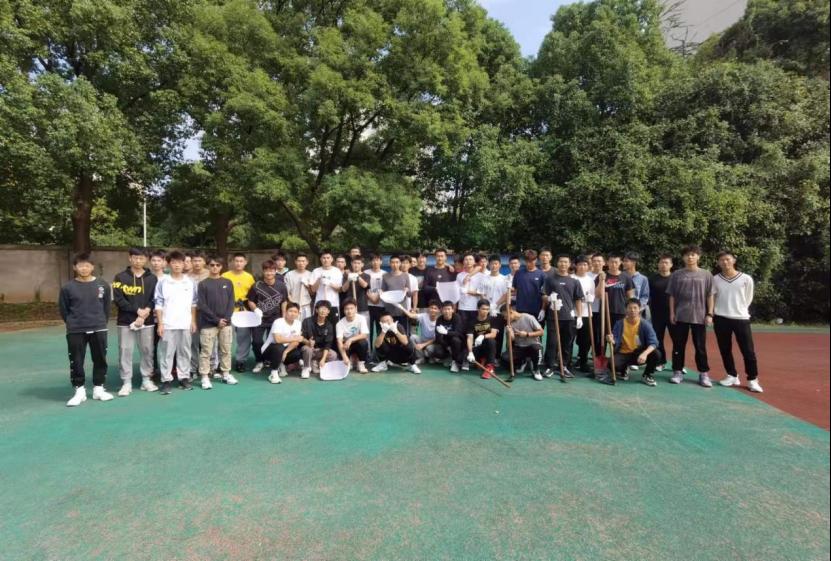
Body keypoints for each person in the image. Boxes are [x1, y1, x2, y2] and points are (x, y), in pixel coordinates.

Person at [60, 252, 114, 407]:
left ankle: (99, 388)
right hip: (76, 329)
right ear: (74, 267)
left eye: (87, 265)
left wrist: (100, 322)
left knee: (100, 358)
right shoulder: (67, 288)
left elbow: (106, 307)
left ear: (92, 267)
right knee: (76, 360)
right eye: (80, 266)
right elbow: (64, 310)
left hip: (98, 327)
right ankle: (79, 391)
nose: (84, 268)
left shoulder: (102, 285)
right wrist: (73, 323)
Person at [713, 251, 763, 393]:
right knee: (725, 349)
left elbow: (748, 298)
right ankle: (732, 375)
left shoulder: (746, 278)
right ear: (718, 263)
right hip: (721, 318)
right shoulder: (715, 279)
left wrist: (739, 310)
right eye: (721, 260)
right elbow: (713, 297)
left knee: (748, 351)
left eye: (727, 259)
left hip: (741, 318)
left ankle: (752, 379)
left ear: (734, 260)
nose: (725, 262)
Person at [112, 247, 159, 396]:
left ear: (146, 260)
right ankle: (126, 382)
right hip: (125, 321)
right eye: (135, 258)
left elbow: (155, 298)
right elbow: (118, 299)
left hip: (147, 321)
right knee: (125, 351)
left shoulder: (152, 278)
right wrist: (137, 311)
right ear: (130, 258)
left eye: (141, 258)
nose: (138, 261)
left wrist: (146, 311)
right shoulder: (120, 277)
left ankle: (146, 379)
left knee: (147, 350)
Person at [667, 245, 715, 387]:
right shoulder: (677, 274)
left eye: (693, 254)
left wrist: (710, 313)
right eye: (687, 255)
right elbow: (672, 295)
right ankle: (677, 371)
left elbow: (710, 295)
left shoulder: (706, 274)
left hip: (699, 316)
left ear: (698, 257)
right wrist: (672, 313)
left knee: (700, 346)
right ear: (683, 257)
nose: (690, 257)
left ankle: (703, 374)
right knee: (678, 345)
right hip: (681, 315)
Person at [154, 250, 198, 394]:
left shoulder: (190, 282)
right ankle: (166, 380)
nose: (177, 265)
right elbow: (158, 303)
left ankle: (184, 378)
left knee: (185, 351)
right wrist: (160, 323)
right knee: (166, 353)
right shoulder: (163, 282)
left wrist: (193, 321)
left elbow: (193, 303)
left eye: (180, 262)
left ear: (184, 264)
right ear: (168, 264)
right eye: (174, 262)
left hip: (185, 323)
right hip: (168, 324)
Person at [196, 256, 237, 389]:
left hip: (226, 324)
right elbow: (202, 305)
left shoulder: (228, 282)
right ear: (208, 266)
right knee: (206, 351)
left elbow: (231, 302)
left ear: (221, 267)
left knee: (226, 350)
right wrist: (216, 320)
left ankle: (226, 374)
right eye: (212, 265)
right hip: (208, 324)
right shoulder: (203, 284)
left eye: (217, 265)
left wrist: (225, 319)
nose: (215, 267)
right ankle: (205, 376)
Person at [600, 299, 659, 387]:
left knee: (656, 354)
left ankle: (647, 375)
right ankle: (623, 369)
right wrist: (611, 340)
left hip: (638, 354)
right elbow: (615, 341)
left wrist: (645, 354)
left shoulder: (645, 324)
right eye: (630, 308)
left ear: (639, 309)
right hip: (623, 353)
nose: (632, 310)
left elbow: (654, 342)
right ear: (626, 309)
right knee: (612, 364)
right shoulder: (619, 324)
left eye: (635, 308)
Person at [542, 254, 584, 378]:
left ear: (569, 264)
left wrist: (579, 316)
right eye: (561, 262)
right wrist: (549, 299)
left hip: (569, 318)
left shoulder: (574, 281)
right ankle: (550, 366)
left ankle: (564, 365)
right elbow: (543, 295)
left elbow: (578, 299)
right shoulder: (550, 279)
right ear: (557, 263)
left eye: (566, 262)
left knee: (567, 343)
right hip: (553, 316)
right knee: (552, 342)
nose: (563, 264)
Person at [247, 259, 289, 374]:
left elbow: (284, 301)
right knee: (256, 342)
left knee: (275, 342)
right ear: (263, 271)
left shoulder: (281, 286)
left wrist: (283, 317)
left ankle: (273, 361)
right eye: (266, 270)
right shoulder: (256, 285)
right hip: (259, 319)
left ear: (275, 271)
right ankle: (259, 361)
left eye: (271, 270)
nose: (269, 273)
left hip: (275, 319)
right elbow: (250, 301)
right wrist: (255, 309)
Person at [222, 253, 256, 372]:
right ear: (232, 262)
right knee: (226, 337)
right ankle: (224, 362)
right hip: (228, 310)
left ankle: (241, 361)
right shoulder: (225, 276)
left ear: (245, 262)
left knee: (244, 338)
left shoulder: (249, 277)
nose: (238, 263)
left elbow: (253, 295)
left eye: (241, 261)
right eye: (236, 261)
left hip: (244, 311)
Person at [263, 302, 304, 383]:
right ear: (285, 311)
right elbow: (278, 340)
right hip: (269, 350)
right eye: (290, 311)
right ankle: (273, 373)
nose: (293, 314)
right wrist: (294, 338)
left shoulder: (298, 323)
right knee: (279, 347)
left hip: (284, 349)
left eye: (295, 312)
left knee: (297, 354)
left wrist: (286, 352)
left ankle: (281, 364)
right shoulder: (278, 322)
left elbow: (296, 342)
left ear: (298, 314)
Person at [479, 255, 510, 362]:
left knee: (498, 334)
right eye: (492, 263)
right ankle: (484, 356)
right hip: (486, 311)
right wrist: (487, 307)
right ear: (489, 264)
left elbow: (506, 294)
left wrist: (495, 305)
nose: (494, 266)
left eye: (496, 263)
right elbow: (482, 294)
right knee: (485, 333)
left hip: (498, 311)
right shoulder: (484, 278)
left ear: (500, 265)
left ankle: (496, 357)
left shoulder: (504, 279)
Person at [594, 253, 635, 329]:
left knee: (620, 334)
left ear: (620, 263)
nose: (613, 264)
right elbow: (598, 295)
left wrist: (630, 310)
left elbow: (630, 297)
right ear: (607, 263)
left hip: (621, 312)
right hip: (605, 311)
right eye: (611, 262)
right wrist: (601, 281)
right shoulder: (602, 276)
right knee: (605, 334)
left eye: (616, 262)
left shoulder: (626, 277)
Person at [502, 305, 544, 380]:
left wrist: (527, 334)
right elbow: (509, 345)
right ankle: (523, 361)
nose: (505, 318)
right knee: (505, 357)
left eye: (505, 316)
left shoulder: (528, 317)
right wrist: (510, 335)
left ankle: (536, 370)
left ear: (511, 312)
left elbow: (541, 332)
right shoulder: (509, 324)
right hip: (520, 347)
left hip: (532, 345)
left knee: (537, 348)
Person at [186, 250, 210, 380]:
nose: (196, 263)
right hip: (191, 313)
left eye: (199, 260)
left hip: (208, 314)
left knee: (208, 342)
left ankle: (209, 368)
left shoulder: (210, 274)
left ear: (204, 262)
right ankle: (193, 368)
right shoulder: (186, 277)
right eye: (194, 260)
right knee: (193, 342)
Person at [397, 300, 444, 364]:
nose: (433, 310)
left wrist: (423, 345)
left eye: (435, 308)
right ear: (428, 309)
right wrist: (401, 307)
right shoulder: (423, 316)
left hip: (432, 342)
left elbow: (435, 338)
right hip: (422, 339)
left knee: (429, 349)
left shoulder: (440, 320)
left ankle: (431, 357)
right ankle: (421, 357)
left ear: (438, 310)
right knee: (413, 337)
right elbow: (411, 315)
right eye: (431, 308)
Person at [649, 254, 674, 371]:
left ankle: (678, 365)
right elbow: (648, 296)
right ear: (658, 264)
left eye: (666, 262)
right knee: (658, 339)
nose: (664, 265)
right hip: (657, 314)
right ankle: (660, 362)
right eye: (661, 262)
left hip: (673, 314)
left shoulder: (675, 278)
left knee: (677, 339)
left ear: (671, 265)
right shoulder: (652, 279)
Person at [571, 255, 595, 373]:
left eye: (585, 264)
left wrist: (591, 298)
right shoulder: (571, 278)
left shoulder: (590, 280)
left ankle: (583, 361)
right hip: (572, 313)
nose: (582, 267)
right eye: (580, 264)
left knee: (585, 340)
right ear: (576, 265)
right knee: (569, 339)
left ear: (588, 266)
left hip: (586, 313)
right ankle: (567, 361)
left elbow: (592, 294)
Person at [300, 300, 336, 379]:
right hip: (308, 349)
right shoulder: (307, 321)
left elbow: (328, 344)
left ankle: (315, 362)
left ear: (328, 312)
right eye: (321, 308)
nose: (323, 311)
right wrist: (307, 342)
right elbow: (301, 337)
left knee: (333, 355)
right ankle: (306, 368)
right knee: (307, 349)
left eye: (325, 309)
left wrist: (323, 359)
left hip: (320, 350)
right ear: (316, 310)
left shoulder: (329, 325)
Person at [465, 299, 499, 379]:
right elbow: (469, 338)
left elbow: (493, 334)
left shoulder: (493, 319)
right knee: (463, 357)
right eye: (483, 309)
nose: (485, 311)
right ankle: (481, 360)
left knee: (491, 341)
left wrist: (483, 336)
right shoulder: (471, 321)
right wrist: (470, 352)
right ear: (478, 309)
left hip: (488, 347)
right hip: (477, 347)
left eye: (487, 309)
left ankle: (490, 367)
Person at [336, 299, 371, 373]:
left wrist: (350, 339)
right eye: (346, 309)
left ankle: (361, 363)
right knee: (347, 365)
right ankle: (350, 360)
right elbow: (339, 341)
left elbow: (365, 335)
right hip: (346, 347)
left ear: (356, 309)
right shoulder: (339, 324)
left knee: (363, 343)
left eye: (351, 308)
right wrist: (344, 357)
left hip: (357, 344)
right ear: (343, 310)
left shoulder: (361, 318)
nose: (349, 311)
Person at [512, 249, 546, 321]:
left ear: (536, 260)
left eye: (531, 261)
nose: (529, 264)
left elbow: (544, 294)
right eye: (527, 261)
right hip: (520, 310)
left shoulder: (542, 275)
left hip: (536, 310)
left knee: (537, 328)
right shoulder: (518, 273)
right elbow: (514, 290)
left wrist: (543, 309)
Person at [311, 251, 343, 322]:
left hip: (333, 303)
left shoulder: (337, 271)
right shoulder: (316, 271)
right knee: (318, 324)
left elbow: (340, 289)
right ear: (320, 259)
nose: (326, 260)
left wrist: (330, 283)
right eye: (324, 258)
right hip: (319, 303)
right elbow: (313, 290)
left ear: (332, 259)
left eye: (328, 258)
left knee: (334, 325)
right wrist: (319, 280)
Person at [435, 301, 467, 372]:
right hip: (446, 342)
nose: (447, 311)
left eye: (449, 309)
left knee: (455, 340)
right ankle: (448, 357)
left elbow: (458, 333)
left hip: (458, 342)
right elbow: (438, 336)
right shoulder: (439, 319)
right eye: (445, 309)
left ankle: (455, 361)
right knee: (437, 351)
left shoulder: (457, 317)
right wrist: (447, 346)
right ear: (442, 310)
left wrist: (446, 332)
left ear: (452, 310)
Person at [456, 252, 485, 331]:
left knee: (476, 330)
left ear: (474, 262)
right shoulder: (459, 275)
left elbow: (481, 292)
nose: (468, 261)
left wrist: (468, 291)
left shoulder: (481, 276)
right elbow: (457, 291)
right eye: (466, 259)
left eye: (470, 259)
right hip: (462, 307)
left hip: (475, 307)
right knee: (463, 330)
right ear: (463, 262)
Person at [381, 255, 410, 331]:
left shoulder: (405, 276)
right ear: (390, 264)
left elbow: (409, 294)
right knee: (390, 333)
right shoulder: (385, 276)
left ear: (400, 263)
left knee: (403, 331)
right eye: (393, 262)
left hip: (402, 310)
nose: (395, 264)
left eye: (397, 262)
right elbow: (383, 291)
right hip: (389, 310)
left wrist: (407, 290)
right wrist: (381, 292)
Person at [341, 255, 371, 323]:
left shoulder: (366, 276)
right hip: (350, 307)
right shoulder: (346, 275)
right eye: (354, 263)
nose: (356, 265)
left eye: (358, 263)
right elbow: (344, 289)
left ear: (362, 264)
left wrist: (357, 276)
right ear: (351, 264)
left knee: (364, 327)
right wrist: (349, 279)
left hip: (363, 307)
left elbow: (365, 285)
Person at [364, 253, 386, 343]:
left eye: (377, 260)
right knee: (368, 329)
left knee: (379, 329)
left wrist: (376, 299)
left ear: (381, 261)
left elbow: (385, 289)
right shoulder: (366, 273)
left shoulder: (385, 274)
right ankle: (369, 350)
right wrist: (370, 298)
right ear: (370, 262)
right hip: (367, 305)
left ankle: (379, 349)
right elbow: (363, 288)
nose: (375, 262)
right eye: (373, 260)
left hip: (381, 306)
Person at [285, 253, 313, 320]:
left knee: (306, 324)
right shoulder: (289, 275)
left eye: (303, 261)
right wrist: (292, 304)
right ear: (295, 262)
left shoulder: (311, 274)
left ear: (307, 262)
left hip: (306, 305)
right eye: (299, 261)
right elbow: (287, 292)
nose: (301, 263)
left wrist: (307, 286)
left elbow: (313, 292)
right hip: (293, 305)